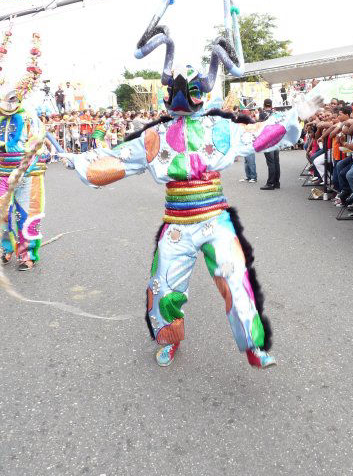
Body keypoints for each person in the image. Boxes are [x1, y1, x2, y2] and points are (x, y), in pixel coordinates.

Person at [63, 31, 321, 370]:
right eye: (178, 91)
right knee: (164, 287)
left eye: (194, 91)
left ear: (204, 93)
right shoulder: (154, 136)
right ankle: (169, 339)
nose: (184, 98)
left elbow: (257, 137)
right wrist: (82, 163)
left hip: (215, 221)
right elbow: (120, 159)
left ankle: (253, 347)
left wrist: (295, 116)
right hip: (177, 225)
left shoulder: (221, 128)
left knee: (236, 280)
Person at [0, 33, 47, 271]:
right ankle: (6, 249)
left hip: (26, 174)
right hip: (1, 174)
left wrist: (32, 157)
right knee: (3, 215)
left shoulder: (29, 117)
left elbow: (38, 143)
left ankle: (28, 254)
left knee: (27, 215)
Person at [260, 99, 281, 190]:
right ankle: (277, 182)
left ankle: (270, 183)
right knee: (276, 161)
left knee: (270, 162)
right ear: (271, 105)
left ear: (264, 105)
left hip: (267, 139)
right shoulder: (276, 113)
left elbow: (261, 127)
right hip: (276, 139)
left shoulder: (262, 114)